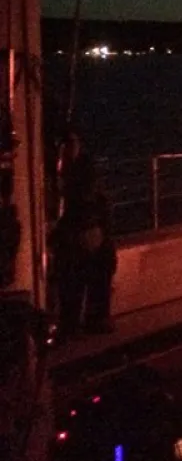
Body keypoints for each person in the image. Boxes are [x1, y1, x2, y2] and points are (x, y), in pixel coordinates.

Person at [50, 129, 116, 336]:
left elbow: (84, 200)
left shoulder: (78, 172)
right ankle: (85, 321)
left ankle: (83, 321)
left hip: (85, 229)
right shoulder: (75, 170)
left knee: (84, 277)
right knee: (81, 278)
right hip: (84, 230)